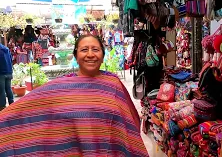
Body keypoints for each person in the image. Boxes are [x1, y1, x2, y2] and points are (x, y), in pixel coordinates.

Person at [0, 35, 148, 157]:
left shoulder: (113, 84)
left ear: (102, 55)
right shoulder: (60, 87)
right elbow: (28, 108)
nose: (90, 54)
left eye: (95, 49)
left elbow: (129, 120)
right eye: (84, 50)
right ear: (76, 56)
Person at [0, 43, 14, 111]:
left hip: (1, 73)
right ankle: (12, 104)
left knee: (1, 90)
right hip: (8, 71)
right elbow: (11, 60)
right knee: (8, 89)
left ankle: (2, 107)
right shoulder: (6, 49)